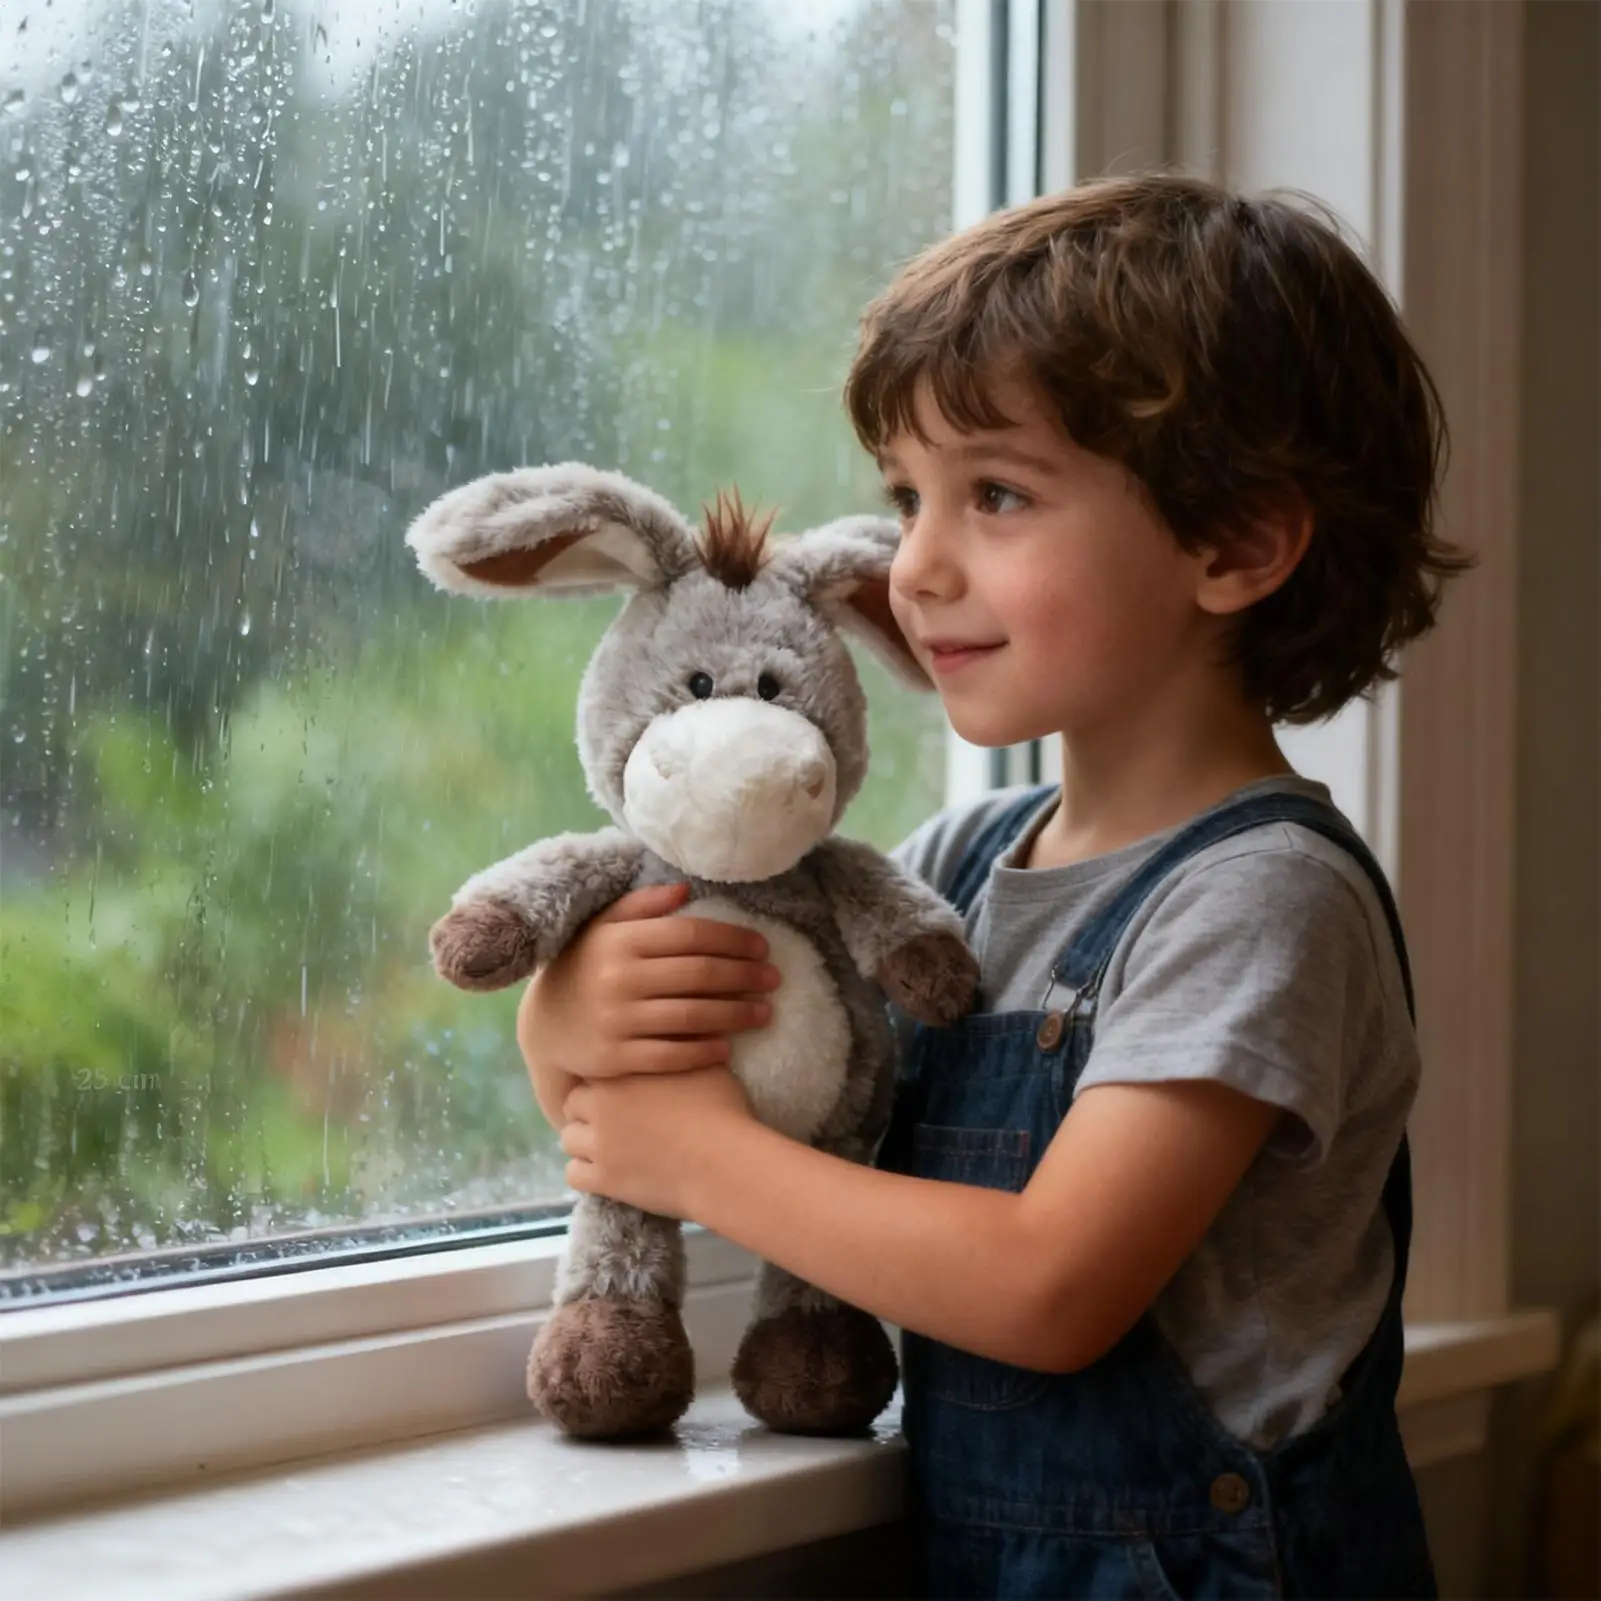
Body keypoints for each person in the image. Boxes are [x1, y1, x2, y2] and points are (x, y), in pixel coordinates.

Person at [517, 172, 1470, 1599]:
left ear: (1237, 545)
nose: (914, 566)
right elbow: (769, 1100)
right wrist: (575, 1027)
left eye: (998, 495)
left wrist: (691, 1151)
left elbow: (1049, 1286)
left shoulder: (1264, 901)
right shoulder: (956, 869)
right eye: (908, 498)